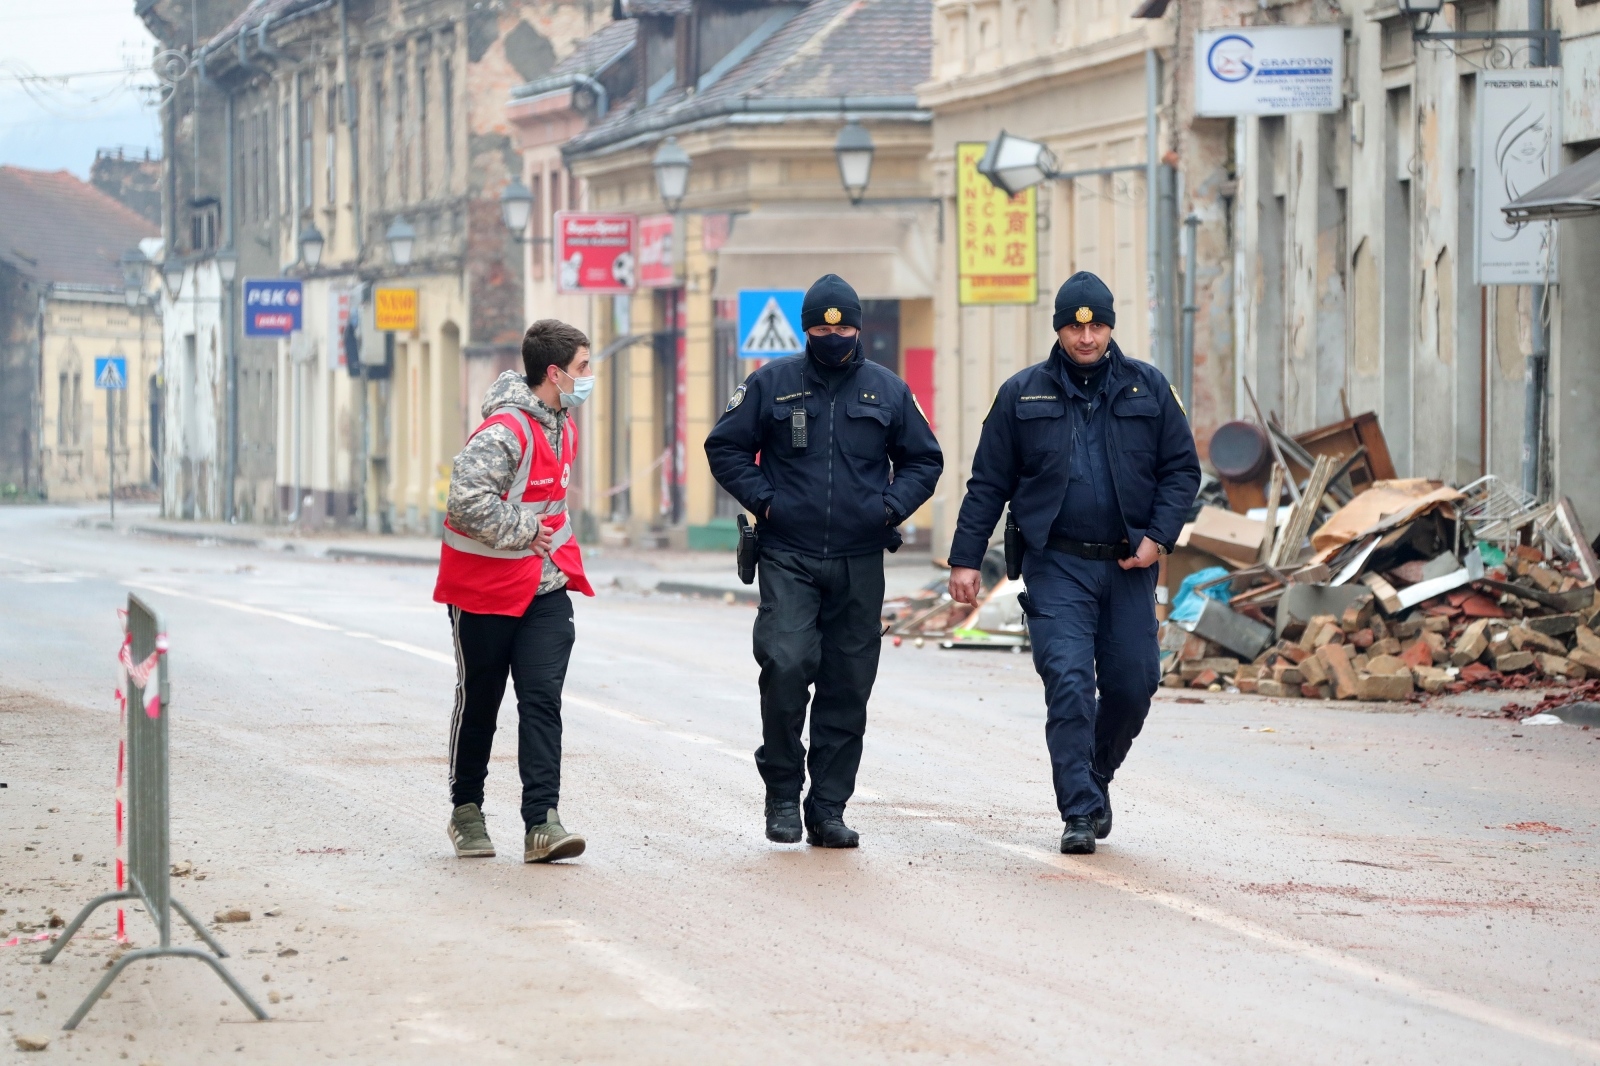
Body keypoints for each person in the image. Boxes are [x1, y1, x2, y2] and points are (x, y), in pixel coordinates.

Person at [947, 272, 1200, 855]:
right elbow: (988, 483)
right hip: (1055, 565)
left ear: (1111, 326)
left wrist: (1158, 537)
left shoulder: (1149, 389)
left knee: (1134, 684)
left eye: (1096, 324)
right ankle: (1079, 811)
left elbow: (1182, 471)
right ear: (1059, 327)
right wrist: (965, 560)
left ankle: (1097, 773)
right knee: (1066, 681)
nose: (1086, 337)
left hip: (1129, 566)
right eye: (1074, 325)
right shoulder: (1021, 394)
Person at [706, 274, 943, 848]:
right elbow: (725, 447)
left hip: (861, 559)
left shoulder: (887, 390)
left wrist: (889, 508)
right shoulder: (771, 384)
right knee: (785, 666)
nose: (832, 335)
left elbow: (924, 460)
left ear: (858, 327)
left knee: (848, 685)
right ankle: (783, 795)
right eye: (820, 325)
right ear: (806, 327)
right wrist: (766, 501)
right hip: (789, 554)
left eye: (842, 325)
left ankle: (828, 807)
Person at [433, 319, 597, 863]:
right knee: (480, 701)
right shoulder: (506, 430)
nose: (588, 376)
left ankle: (542, 823)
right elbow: (464, 501)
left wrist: (549, 549)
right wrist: (526, 531)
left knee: (542, 702)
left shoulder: (562, 426)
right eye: (582, 367)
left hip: (544, 591)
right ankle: (467, 812)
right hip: (484, 592)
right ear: (554, 373)